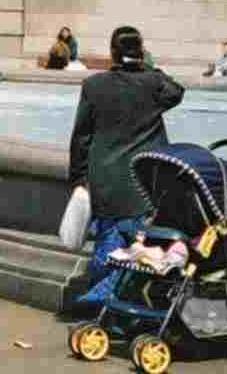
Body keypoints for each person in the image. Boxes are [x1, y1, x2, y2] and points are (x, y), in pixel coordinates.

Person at [68, 26, 186, 307]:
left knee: (108, 246)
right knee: (141, 250)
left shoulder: (94, 85)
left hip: (106, 181)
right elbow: (177, 91)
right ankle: (108, 302)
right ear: (141, 52)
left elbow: (81, 137)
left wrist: (78, 178)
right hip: (144, 183)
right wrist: (149, 67)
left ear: (112, 52)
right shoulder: (153, 83)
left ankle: (97, 302)